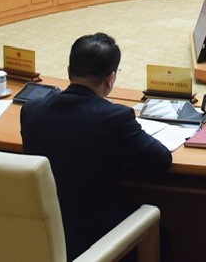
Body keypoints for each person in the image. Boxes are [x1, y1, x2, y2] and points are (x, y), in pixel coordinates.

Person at [21, 33, 171, 259]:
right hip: (97, 241)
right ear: (110, 79)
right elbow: (161, 160)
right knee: (164, 238)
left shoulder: (32, 110)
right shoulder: (115, 117)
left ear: (69, 70)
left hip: (42, 237)